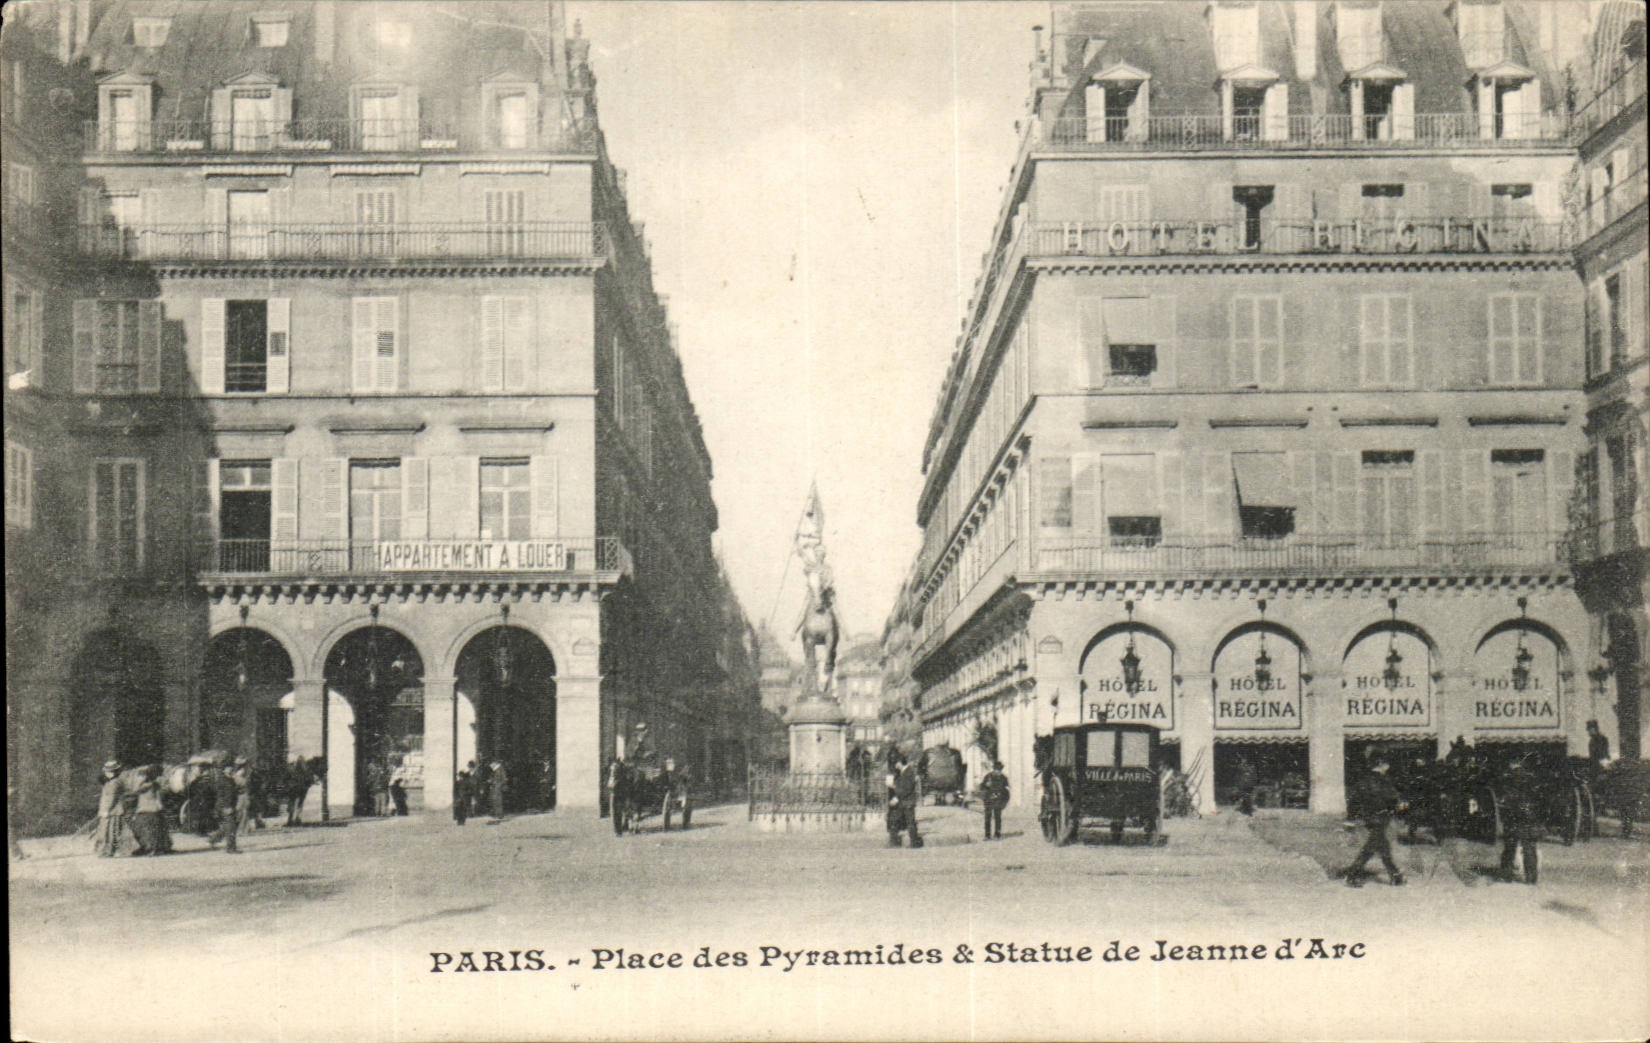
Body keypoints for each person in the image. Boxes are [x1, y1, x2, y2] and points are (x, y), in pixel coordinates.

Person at [1341, 756, 1405, 887]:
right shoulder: (1383, 780)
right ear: (1381, 764)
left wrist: (1350, 819)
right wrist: (1400, 805)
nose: (1388, 767)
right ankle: (1352, 875)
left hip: (1368, 817)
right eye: (1386, 764)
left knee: (1382, 845)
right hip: (1382, 817)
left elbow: (1353, 800)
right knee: (1371, 847)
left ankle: (1395, 876)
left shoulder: (1363, 780)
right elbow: (1391, 799)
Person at [1498, 758, 1542, 885]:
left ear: (1512, 765)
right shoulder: (1532, 778)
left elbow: (1505, 798)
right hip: (1530, 817)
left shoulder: (1508, 778)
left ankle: (1506, 876)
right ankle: (1531, 879)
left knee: (1509, 847)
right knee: (1529, 848)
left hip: (1513, 817)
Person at [127, 765, 172, 856]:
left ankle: (150, 848)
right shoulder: (153, 785)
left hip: (146, 809)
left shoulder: (148, 785)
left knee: (147, 830)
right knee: (154, 829)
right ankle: (157, 847)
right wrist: (160, 806)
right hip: (152, 809)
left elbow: (136, 791)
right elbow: (158, 797)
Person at [887, 752, 922, 848]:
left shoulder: (908, 772)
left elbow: (906, 788)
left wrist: (896, 795)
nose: (895, 766)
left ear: (899, 763)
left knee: (909, 822)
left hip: (906, 801)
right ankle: (896, 842)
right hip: (904, 801)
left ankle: (913, 842)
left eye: (896, 763)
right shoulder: (904, 772)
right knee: (897, 820)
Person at [207, 756, 242, 853]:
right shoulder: (222, 780)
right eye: (228, 767)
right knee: (231, 827)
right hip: (225, 806)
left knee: (228, 826)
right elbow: (220, 795)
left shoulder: (230, 779)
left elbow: (234, 792)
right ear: (224, 769)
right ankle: (231, 848)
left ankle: (213, 838)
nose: (231, 769)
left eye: (231, 767)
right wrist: (226, 807)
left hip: (231, 805)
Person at [94, 760, 127, 857]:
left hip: (113, 811)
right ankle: (108, 851)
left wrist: (106, 810)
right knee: (109, 832)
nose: (107, 773)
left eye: (110, 771)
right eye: (107, 771)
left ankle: (109, 851)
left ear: (115, 772)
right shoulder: (112, 782)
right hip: (111, 810)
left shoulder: (114, 783)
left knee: (110, 832)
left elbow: (111, 798)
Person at [979, 760, 1009, 840]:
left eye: (999, 770)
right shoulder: (988, 777)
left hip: (998, 800)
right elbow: (981, 787)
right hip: (989, 800)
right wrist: (985, 785)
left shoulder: (1004, 778)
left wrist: (1004, 800)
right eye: (997, 769)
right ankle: (987, 835)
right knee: (987, 817)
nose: (998, 771)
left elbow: (1006, 790)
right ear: (994, 769)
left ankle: (997, 834)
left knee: (997, 817)